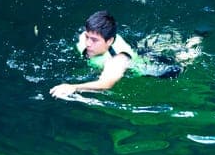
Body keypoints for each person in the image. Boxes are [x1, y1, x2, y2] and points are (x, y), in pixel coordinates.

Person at [49, 10, 203, 98]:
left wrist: (73, 87)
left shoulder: (117, 61)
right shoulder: (86, 37)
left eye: (94, 40)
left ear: (109, 41)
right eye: (88, 37)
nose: (88, 43)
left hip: (143, 68)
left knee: (179, 66)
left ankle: (194, 42)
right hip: (134, 49)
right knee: (147, 47)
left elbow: (106, 84)